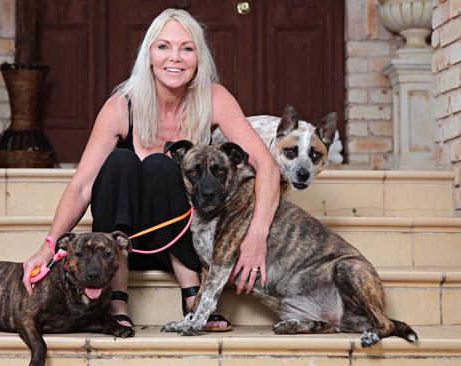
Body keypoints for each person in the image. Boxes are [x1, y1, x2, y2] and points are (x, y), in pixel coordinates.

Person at [22, 8, 280, 332]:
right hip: (121, 244)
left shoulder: (215, 99)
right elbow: (81, 187)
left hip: (180, 241)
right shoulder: (121, 106)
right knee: (120, 161)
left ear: (199, 58)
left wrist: (257, 236)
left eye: (187, 48)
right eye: (164, 46)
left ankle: (193, 296)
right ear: (149, 54)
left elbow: (266, 166)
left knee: (161, 164)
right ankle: (116, 299)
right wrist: (48, 248)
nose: (176, 57)